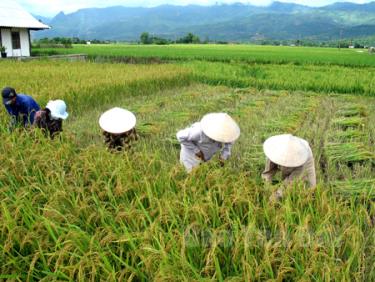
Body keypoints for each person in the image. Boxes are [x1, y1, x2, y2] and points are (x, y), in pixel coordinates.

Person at [262, 134, 316, 200]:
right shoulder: (274, 151)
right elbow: (268, 172)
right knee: (285, 177)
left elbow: (291, 180)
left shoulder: (303, 157)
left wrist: (276, 196)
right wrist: (267, 187)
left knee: (308, 189)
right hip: (286, 152)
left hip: (304, 160)